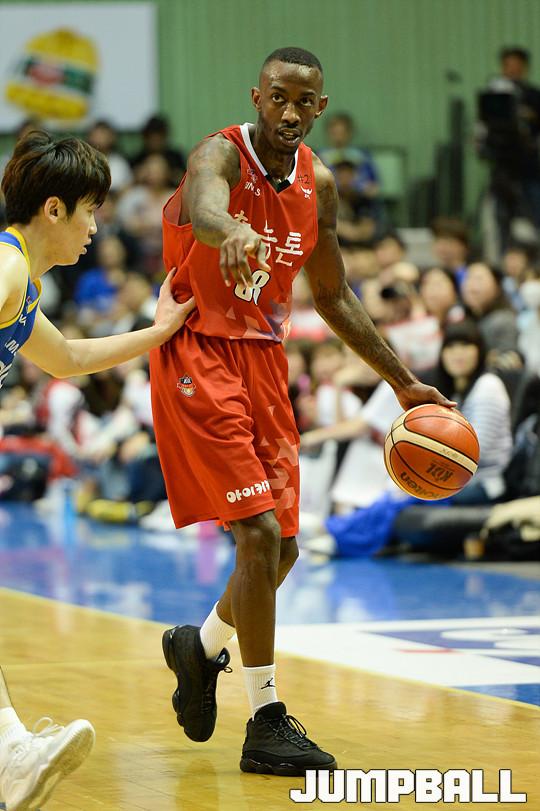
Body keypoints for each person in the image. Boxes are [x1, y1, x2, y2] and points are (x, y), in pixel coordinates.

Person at [149, 46, 454, 777]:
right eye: (277, 97)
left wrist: (402, 383)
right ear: (257, 96)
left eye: (303, 102)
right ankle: (266, 718)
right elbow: (206, 207)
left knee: (282, 550)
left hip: (264, 362)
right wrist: (231, 232)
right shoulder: (219, 155)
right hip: (199, 354)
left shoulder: (319, 182)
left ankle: (201, 648)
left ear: (320, 107)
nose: (289, 112)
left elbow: (335, 293)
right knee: (256, 534)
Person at [0, 130, 194, 810]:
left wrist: (158, 333)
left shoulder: (22, 284)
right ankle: (10, 754)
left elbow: (69, 359)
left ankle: (10, 753)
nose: (95, 227)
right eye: (89, 210)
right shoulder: (8, 267)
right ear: (53, 209)